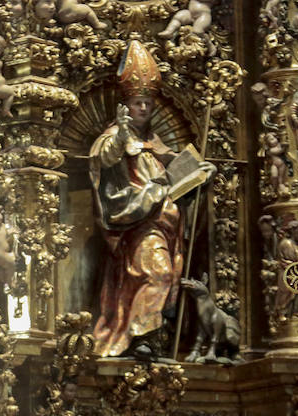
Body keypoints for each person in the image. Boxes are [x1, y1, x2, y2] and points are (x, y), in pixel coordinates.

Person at [88, 39, 211, 358]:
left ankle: (150, 334)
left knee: (165, 276)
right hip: (140, 226)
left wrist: (199, 175)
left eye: (148, 103)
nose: (144, 108)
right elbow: (105, 160)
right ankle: (140, 336)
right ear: (125, 106)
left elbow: (176, 177)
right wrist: (121, 139)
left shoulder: (155, 144)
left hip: (167, 227)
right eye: (138, 102)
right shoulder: (116, 138)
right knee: (156, 273)